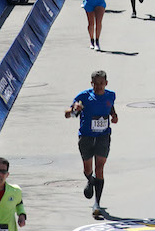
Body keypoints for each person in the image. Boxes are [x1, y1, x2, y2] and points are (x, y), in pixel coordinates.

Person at [66, 70, 118, 219]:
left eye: (101, 83)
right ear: (91, 84)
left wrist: (114, 116)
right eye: (96, 84)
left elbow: (111, 108)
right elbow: (68, 113)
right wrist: (74, 110)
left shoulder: (111, 95)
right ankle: (90, 180)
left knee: (100, 168)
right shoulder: (83, 97)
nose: (99, 87)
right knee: (87, 170)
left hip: (103, 136)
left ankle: (97, 204)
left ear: (106, 83)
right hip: (86, 137)